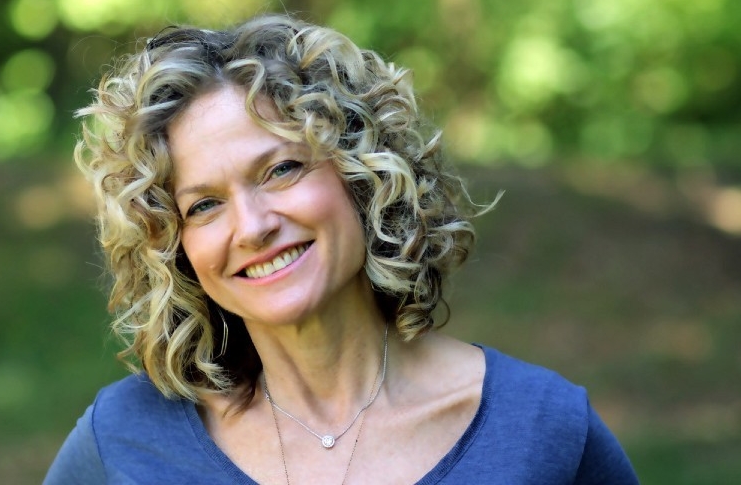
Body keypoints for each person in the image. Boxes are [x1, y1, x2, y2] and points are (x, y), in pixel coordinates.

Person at [45, 14, 638, 485]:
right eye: (203, 205)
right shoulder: (122, 442)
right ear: (177, 248)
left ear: (362, 176)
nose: (252, 227)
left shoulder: (543, 431)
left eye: (280, 169)